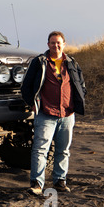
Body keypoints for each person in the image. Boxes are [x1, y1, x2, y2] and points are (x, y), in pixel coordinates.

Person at [21, 31, 86, 195]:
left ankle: (59, 181)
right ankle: (37, 184)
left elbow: (81, 85)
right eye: (52, 43)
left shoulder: (71, 62)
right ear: (48, 44)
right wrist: (33, 104)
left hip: (67, 114)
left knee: (63, 150)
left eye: (58, 43)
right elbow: (26, 87)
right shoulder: (39, 62)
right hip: (45, 113)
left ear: (63, 44)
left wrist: (77, 101)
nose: (55, 45)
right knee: (40, 150)